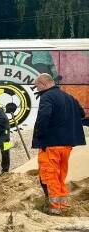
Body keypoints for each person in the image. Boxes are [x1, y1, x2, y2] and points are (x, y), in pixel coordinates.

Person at [31, 73, 87, 215]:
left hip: (51, 144)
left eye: (37, 86)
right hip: (66, 145)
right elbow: (81, 114)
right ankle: (63, 205)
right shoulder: (68, 97)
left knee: (49, 175)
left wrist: (40, 135)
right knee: (60, 176)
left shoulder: (47, 97)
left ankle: (54, 208)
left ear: (43, 84)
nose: (37, 90)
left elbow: (44, 116)